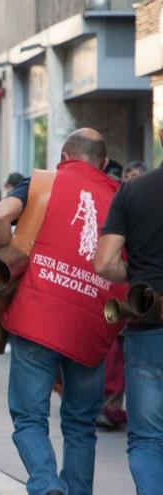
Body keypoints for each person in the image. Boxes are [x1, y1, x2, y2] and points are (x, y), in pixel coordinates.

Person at [0, 128, 126, 495]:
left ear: (63, 158)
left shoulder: (44, 182)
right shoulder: (119, 196)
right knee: (81, 424)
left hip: (36, 317)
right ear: (105, 164)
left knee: (30, 417)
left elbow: (0, 214)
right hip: (90, 325)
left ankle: (47, 483)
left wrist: (9, 256)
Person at [94, 140, 163, 493]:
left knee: (148, 439)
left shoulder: (132, 192)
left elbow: (104, 262)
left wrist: (135, 273)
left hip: (149, 324)